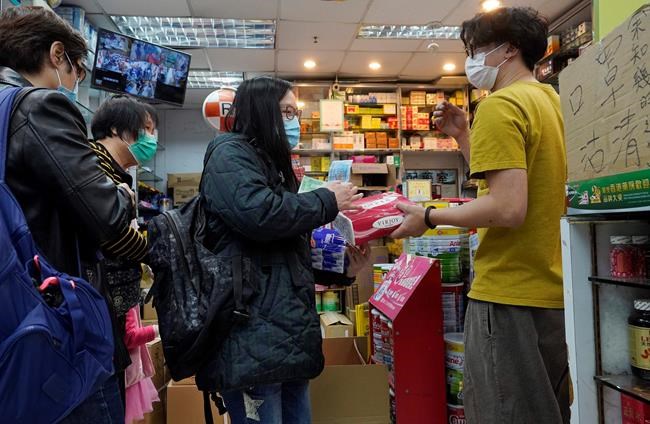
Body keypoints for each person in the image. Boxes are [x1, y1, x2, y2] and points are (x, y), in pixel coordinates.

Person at [391, 7, 569, 424]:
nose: (471, 60)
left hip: (508, 292)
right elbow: (515, 184)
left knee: (502, 412)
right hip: (553, 289)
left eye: (475, 49)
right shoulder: (551, 100)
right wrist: (464, 136)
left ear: (509, 50)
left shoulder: (500, 105)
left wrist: (428, 217)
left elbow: (507, 207)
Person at [199, 77, 369, 424]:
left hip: (285, 335)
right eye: (286, 112)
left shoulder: (274, 165)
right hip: (250, 336)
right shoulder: (229, 154)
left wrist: (342, 270)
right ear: (262, 111)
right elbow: (260, 215)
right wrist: (326, 200)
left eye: (296, 113)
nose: (294, 122)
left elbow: (283, 250)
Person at [0, 6, 139, 423]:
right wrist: (122, 193)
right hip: (57, 318)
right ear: (57, 54)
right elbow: (106, 214)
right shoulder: (39, 107)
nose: (76, 82)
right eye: (77, 70)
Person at [88, 94, 159, 404]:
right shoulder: (92, 167)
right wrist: (154, 250)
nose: (152, 138)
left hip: (112, 303)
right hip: (98, 303)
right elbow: (113, 235)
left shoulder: (116, 173)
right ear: (118, 129)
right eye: (146, 128)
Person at [123, 305, 160, 424]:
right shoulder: (125, 297)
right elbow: (130, 336)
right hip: (126, 371)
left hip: (129, 369)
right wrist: (157, 329)